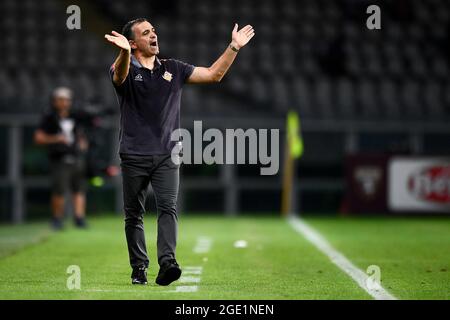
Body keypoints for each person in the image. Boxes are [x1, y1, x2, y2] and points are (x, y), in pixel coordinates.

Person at [105, 18, 255, 286]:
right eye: (146, 33)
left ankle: (167, 263)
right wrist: (124, 52)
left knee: (167, 208)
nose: (154, 35)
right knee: (134, 214)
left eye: (153, 30)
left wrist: (233, 47)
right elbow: (120, 76)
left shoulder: (173, 68)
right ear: (133, 42)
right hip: (134, 153)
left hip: (167, 153)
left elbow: (213, 74)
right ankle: (139, 268)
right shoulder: (123, 66)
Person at [34, 87, 89, 230]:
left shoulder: (75, 115)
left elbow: (82, 133)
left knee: (79, 188)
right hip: (59, 158)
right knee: (59, 189)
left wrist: (83, 142)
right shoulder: (49, 117)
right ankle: (57, 218)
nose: (64, 103)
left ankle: (79, 218)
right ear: (54, 101)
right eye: (61, 100)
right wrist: (56, 139)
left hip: (76, 156)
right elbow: (39, 138)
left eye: (67, 100)